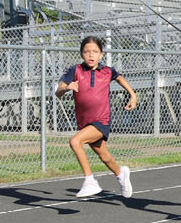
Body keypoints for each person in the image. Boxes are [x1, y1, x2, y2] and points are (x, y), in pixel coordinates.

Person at [55, 35, 138, 198]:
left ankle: (90, 181)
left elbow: (120, 78)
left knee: (75, 141)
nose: (91, 55)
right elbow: (58, 92)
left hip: (101, 121)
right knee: (105, 156)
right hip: (85, 123)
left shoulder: (107, 71)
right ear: (81, 54)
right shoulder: (75, 70)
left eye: (94, 51)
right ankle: (121, 174)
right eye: (86, 52)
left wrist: (132, 95)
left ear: (101, 54)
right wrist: (66, 88)